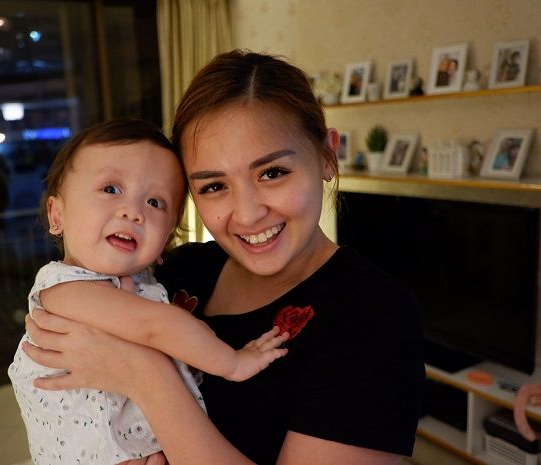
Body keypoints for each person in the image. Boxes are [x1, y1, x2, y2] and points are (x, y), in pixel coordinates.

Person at [23, 50, 425, 465]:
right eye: (214, 186)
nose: (247, 214)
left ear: (327, 154)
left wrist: (145, 375)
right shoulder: (178, 272)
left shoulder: (374, 313)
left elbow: (130, 364)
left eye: (272, 173)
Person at [8, 118, 289, 465]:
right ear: (57, 214)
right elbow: (155, 326)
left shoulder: (150, 285)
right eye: (111, 189)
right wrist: (233, 363)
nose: (133, 212)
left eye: (155, 202)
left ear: (164, 243)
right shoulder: (63, 288)